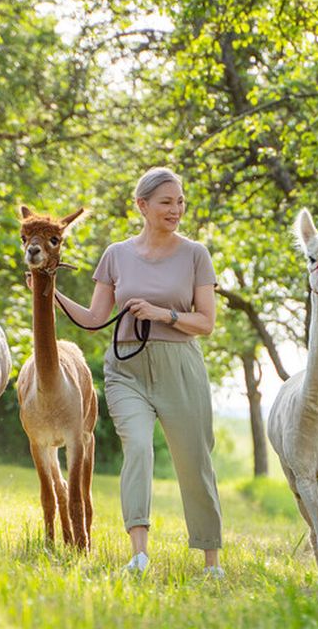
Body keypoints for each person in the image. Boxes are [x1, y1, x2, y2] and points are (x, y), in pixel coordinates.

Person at [52, 167, 223, 576]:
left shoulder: (195, 254)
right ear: (142, 206)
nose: (176, 209)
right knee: (139, 450)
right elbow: (95, 318)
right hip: (126, 368)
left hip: (180, 366)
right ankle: (139, 555)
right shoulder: (116, 254)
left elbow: (206, 323)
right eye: (167, 202)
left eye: (180, 201)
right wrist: (49, 293)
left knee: (194, 461)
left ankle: (211, 560)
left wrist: (163, 313)